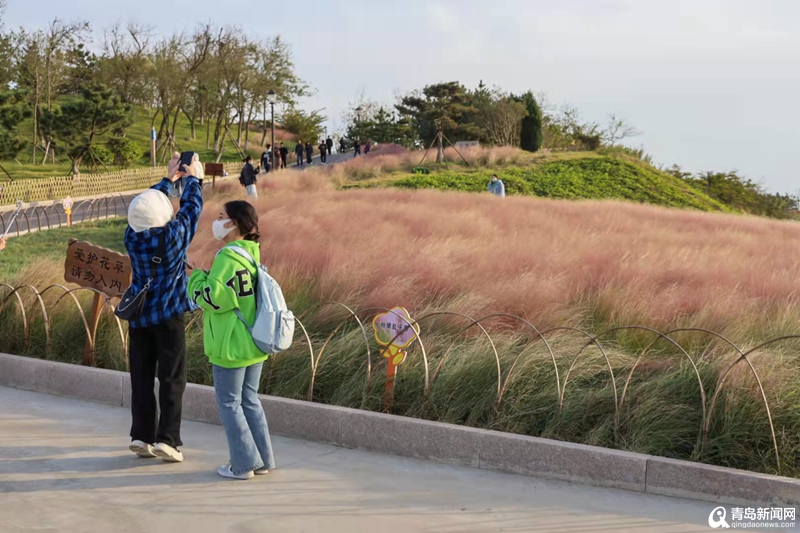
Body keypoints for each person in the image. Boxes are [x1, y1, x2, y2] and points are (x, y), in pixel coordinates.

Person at [187, 201, 276, 480]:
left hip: (230, 344)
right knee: (249, 400)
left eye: (221, 216)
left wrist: (194, 279)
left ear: (234, 223)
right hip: (253, 342)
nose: (216, 220)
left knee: (228, 403)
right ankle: (262, 460)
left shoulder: (227, 256)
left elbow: (215, 299)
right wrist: (204, 275)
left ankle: (243, 465)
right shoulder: (251, 252)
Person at [124, 158, 204, 463]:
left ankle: (141, 436)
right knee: (171, 377)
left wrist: (167, 180)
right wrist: (193, 179)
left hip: (139, 317)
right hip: (169, 316)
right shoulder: (172, 237)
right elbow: (191, 210)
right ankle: (168, 440)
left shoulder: (131, 237)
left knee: (141, 377)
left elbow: (145, 210)